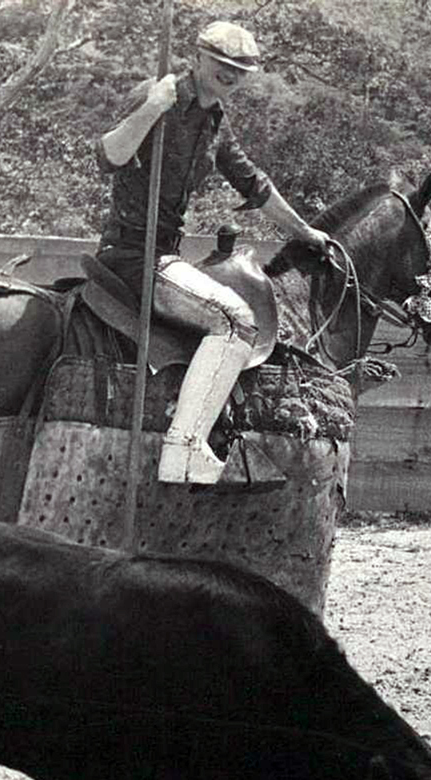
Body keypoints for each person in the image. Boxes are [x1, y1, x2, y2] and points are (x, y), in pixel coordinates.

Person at [96, 20, 329, 486]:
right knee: (237, 321)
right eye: (222, 64)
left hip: (165, 252)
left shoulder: (215, 121)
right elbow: (109, 156)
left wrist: (304, 232)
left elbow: (254, 185)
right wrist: (151, 109)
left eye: (240, 69)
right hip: (132, 254)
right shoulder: (157, 94)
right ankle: (182, 450)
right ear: (198, 57)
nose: (230, 74)